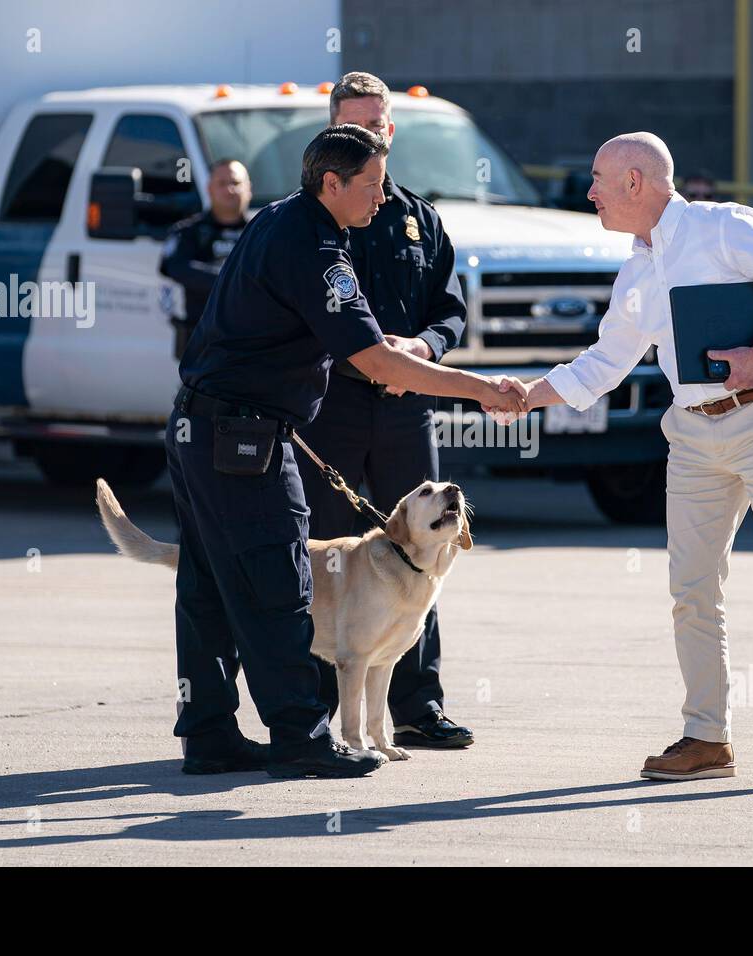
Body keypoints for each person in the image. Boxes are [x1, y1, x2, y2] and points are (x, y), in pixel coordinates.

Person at [498, 133, 753, 785]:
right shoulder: (637, 270)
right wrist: (528, 396)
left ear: (636, 182)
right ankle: (707, 739)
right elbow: (605, 363)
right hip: (695, 435)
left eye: (597, 181)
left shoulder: (720, 227)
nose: (589, 194)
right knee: (692, 590)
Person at [167, 125, 522, 780]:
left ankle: (209, 732)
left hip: (202, 428)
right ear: (331, 184)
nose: (383, 196)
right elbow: (378, 359)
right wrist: (483, 390)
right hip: (243, 440)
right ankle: (302, 735)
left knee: (209, 586)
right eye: (370, 184)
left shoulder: (278, 220)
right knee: (280, 579)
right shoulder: (316, 246)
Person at [295, 72, 474, 750]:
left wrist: (421, 345)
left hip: (406, 407)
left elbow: (450, 311)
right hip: (330, 406)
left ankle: (416, 707)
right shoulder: (312, 218)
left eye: (378, 124)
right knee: (324, 559)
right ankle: (314, 713)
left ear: (391, 131)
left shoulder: (420, 219)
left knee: (422, 554)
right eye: (355, 124)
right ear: (332, 131)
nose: (369, 134)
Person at [160, 159, 252, 360]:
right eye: (221, 183)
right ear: (209, 189)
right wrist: (231, 280)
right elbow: (175, 267)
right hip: (202, 344)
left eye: (235, 183)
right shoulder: (188, 232)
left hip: (251, 345)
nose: (229, 190)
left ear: (249, 189)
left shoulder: (262, 231)